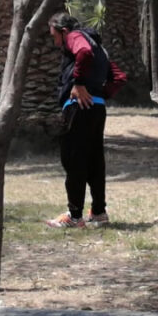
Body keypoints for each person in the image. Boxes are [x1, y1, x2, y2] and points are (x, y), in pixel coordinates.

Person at [45, 12, 127, 228]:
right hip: (97, 109)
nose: (55, 43)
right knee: (94, 161)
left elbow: (83, 52)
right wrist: (99, 94)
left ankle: (74, 216)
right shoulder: (99, 46)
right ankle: (99, 212)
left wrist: (80, 84)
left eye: (54, 36)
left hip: (78, 109)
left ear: (64, 31)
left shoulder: (75, 37)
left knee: (74, 160)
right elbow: (119, 77)